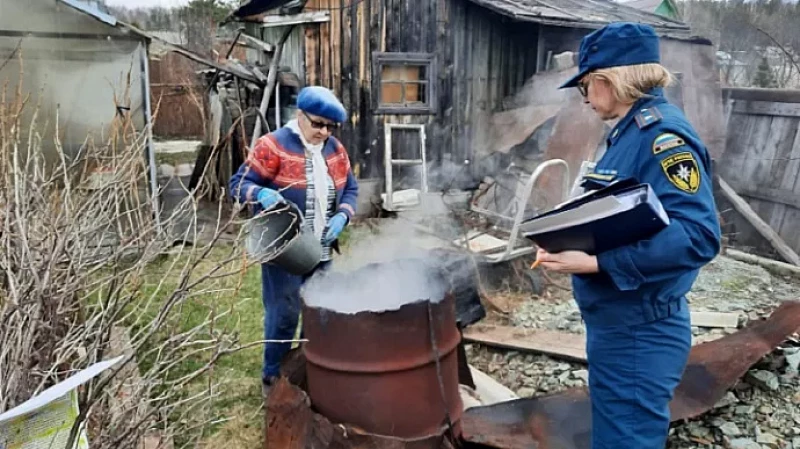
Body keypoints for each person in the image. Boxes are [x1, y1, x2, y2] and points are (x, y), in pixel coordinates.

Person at [535, 22, 721, 448]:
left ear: (609, 79)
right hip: (619, 322)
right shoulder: (629, 131)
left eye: (585, 86)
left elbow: (698, 235)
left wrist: (597, 262)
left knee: (626, 439)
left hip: (639, 332)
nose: (584, 98)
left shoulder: (661, 137)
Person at [229, 86, 358, 397]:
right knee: (284, 314)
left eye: (330, 127)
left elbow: (351, 189)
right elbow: (238, 183)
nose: (324, 132)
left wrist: (343, 215)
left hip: (322, 249)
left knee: (318, 311)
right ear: (300, 115)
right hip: (285, 250)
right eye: (318, 124)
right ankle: (273, 378)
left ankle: (307, 371)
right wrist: (260, 193)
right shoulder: (273, 145)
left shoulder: (335, 150)